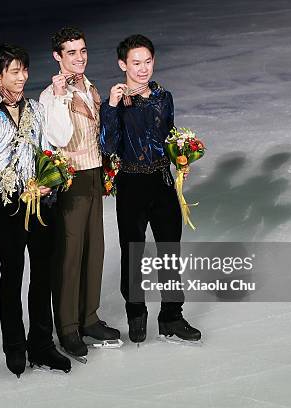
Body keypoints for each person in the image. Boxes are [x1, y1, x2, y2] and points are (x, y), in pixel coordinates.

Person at [0, 43, 70, 377]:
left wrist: (53, 178)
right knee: (12, 277)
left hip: (41, 203)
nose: (21, 78)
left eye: (24, 70)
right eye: (13, 71)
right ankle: (15, 347)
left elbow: (48, 149)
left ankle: (42, 344)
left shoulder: (34, 108)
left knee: (43, 276)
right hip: (8, 205)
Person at [99, 34, 202, 344]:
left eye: (147, 62)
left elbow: (168, 136)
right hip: (130, 183)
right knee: (133, 253)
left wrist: (181, 155)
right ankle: (136, 312)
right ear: (122, 64)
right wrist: (112, 107)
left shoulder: (163, 97)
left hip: (162, 181)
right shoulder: (115, 103)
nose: (143, 69)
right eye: (136, 63)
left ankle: (171, 316)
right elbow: (108, 146)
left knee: (170, 251)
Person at [40, 27, 120, 359]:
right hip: (70, 180)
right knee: (71, 256)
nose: (79, 58)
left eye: (82, 51)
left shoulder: (90, 87)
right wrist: (60, 98)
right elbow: (59, 136)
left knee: (95, 250)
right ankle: (68, 327)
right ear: (58, 57)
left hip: (93, 175)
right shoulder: (50, 95)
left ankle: (89, 318)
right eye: (71, 53)